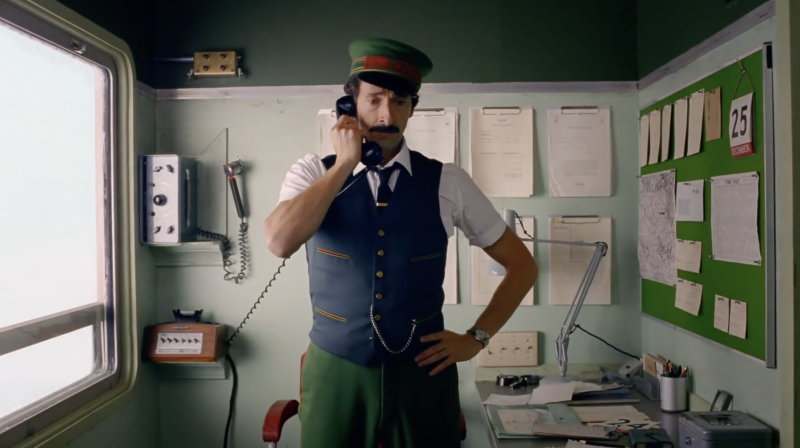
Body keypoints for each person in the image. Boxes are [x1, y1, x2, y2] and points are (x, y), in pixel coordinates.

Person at [263, 37, 538, 448]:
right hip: (335, 371)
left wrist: (475, 339)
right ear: (350, 105)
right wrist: (344, 165)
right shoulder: (312, 173)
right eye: (374, 99)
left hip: (422, 375)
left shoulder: (448, 182)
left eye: (399, 101)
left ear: (412, 108)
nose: (386, 115)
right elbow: (279, 242)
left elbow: (523, 266)